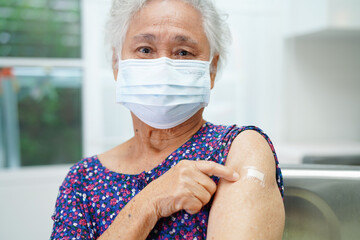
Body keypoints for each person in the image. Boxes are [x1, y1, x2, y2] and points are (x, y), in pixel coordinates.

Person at [50, 0, 285, 239]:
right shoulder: (83, 180)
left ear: (211, 70)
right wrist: (148, 203)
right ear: (116, 64)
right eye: (145, 50)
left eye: (183, 52)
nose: (162, 67)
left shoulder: (237, 150)